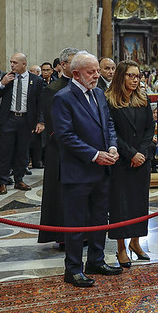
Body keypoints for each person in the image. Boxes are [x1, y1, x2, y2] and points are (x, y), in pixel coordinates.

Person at [51, 51, 122, 287]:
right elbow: (65, 136)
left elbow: (109, 124)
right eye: (91, 72)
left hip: (102, 170)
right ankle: (73, 268)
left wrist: (112, 147)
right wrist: (95, 155)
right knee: (76, 223)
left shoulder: (99, 93)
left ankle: (96, 260)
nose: (96, 75)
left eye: (97, 71)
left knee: (99, 218)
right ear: (76, 74)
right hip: (78, 171)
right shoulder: (64, 97)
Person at [106, 60, 155, 267]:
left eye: (137, 76)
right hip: (121, 161)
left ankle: (136, 242)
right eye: (130, 76)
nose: (135, 80)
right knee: (120, 205)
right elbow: (112, 132)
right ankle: (121, 248)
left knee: (139, 203)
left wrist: (142, 153)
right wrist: (131, 154)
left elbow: (149, 128)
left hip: (141, 160)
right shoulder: (109, 100)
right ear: (120, 76)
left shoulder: (142, 98)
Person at [37, 47, 81, 247]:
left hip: (82, 150)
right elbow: (53, 125)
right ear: (63, 65)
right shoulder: (53, 89)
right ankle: (64, 236)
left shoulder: (83, 87)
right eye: (73, 62)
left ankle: (83, 233)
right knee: (62, 194)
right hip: (61, 149)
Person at [0, 52, 45, 194]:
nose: (12, 65)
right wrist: (2, 84)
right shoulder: (7, 78)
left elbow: (40, 103)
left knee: (22, 151)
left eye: (15, 63)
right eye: (11, 62)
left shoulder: (36, 80)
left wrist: (40, 121)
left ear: (24, 64)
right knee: (5, 151)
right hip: (9, 119)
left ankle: (19, 179)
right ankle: (2, 181)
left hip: (26, 120)